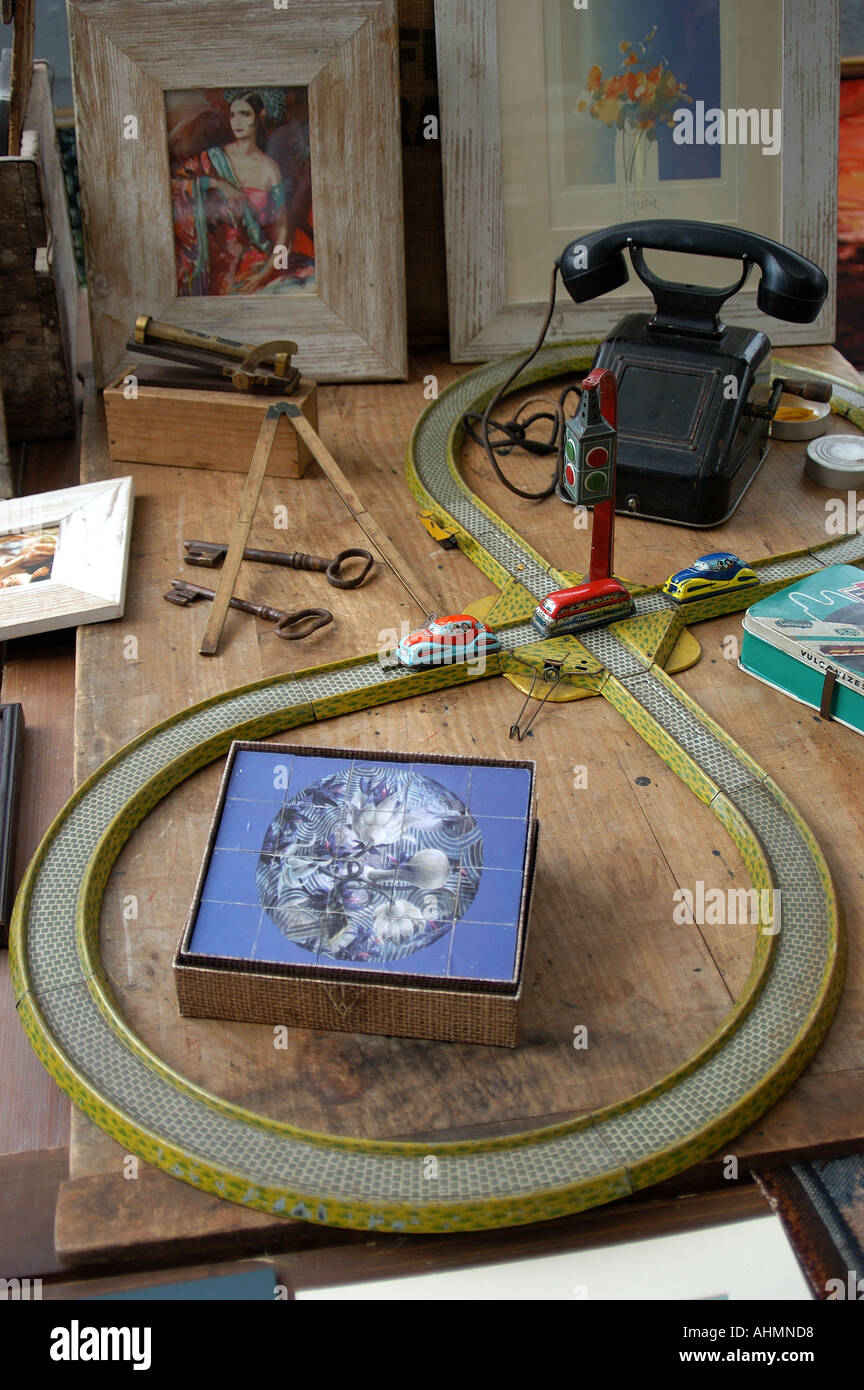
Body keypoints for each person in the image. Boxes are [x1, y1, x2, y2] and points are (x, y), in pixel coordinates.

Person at [172, 91, 295, 296]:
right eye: (232, 115)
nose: (237, 122)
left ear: (260, 115)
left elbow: (283, 232)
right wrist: (216, 184)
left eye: (245, 114)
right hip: (213, 264)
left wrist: (264, 274)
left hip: (255, 263)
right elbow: (172, 185)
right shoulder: (212, 158)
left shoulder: (270, 170)